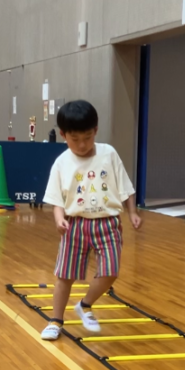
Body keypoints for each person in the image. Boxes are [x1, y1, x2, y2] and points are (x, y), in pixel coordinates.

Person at [40, 100, 142, 340]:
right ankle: (55, 320)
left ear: (96, 130)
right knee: (65, 276)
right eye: (75, 139)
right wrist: (59, 219)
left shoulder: (109, 154)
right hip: (75, 224)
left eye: (87, 137)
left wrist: (133, 212)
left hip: (108, 223)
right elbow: (56, 199)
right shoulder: (61, 162)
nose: (82, 144)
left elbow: (126, 187)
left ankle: (85, 304)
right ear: (63, 135)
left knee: (111, 272)